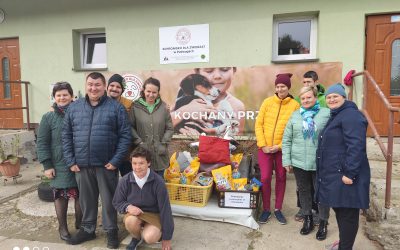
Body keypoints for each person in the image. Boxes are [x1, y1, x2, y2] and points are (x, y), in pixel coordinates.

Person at [62, 72, 132, 248]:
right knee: (86, 200)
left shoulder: (116, 108)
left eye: (97, 85)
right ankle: (87, 229)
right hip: (81, 165)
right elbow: (66, 135)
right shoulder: (74, 107)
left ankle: (111, 231)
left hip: (106, 165)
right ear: (86, 85)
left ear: (104, 86)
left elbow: (125, 136)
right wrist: (71, 160)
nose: (93, 88)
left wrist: (116, 160)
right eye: (90, 84)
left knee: (109, 200)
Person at [316, 83, 370, 250]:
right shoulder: (338, 114)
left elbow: (356, 146)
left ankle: (345, 247)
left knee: (347, 215)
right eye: (329, 97)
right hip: (337, 175)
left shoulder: (351, 115)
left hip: (346, 176)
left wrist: (349, 173)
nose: (331, 99)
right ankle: (344, 244)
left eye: (335, 96)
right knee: (341, 212)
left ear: (344, 97)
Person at [37, 82, 82, 241]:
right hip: (59, 163)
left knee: (81, 195)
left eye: (65, 94)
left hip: (80, 161)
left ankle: (80, 223)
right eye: (59, 95)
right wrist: (47, 165)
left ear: (71, 96)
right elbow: (42, 142)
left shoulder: (80, 113)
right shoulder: (48, 117)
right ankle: (62, 227)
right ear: (54, 98)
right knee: (61, 196)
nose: (62, 98)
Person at [282, 86, 330, 237]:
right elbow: (287, 139)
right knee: (303, 191)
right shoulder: (295, 115)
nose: (306, 100)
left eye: (309, 97)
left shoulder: (326, 114)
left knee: (321, 193)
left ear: (316, 97)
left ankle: (322, 222)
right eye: (303, 98)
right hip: (299, 162)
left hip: (320, 163)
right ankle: (307, 218)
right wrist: (286, 160)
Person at [255, 73, 300, 225]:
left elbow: (295, 130)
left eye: (283, 86)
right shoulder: (267, 102)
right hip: (265, 149)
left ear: (288, 88)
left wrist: (279, 146)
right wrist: (263, 145)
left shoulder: (295, 105)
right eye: (278, 86)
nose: (280, 89)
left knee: (281, 178)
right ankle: (266, 209)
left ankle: (278, 209)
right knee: (265, 178)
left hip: (282, 149)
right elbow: (258, 124)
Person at [112, 147, 174, 250]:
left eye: (141, 163)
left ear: (148, 163)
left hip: (154, 214)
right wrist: (128, 207)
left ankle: (155, 231)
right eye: (134, 163)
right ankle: (136, 238)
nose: (137, 167)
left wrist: (167, 237)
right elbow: (117, 202)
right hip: (135, 214)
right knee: (130, 221)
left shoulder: (158, 182)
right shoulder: (125, 180)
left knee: (150, 237)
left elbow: (165, 210)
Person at [294, 70, 327, 223]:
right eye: (304, 82)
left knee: (317, 186)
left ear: (316, 82)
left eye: (309, 82)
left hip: (317, 152)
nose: (306, 84)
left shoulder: (325, 99)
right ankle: (305, 210)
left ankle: (319, 215)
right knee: (303, 186)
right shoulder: (299, 100)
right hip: (302, 152)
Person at [171, 67, 245, 135]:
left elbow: (234, 141)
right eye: (208, 70)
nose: (217, 76)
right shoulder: (185, 96)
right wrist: (183, 112)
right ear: (197, 72)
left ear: (234, 70)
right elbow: (163, 126)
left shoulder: (236, 106)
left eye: (225, 69)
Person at [129, 77, 173, 176]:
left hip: (160, 155)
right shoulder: (135, 107)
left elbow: (169, 128)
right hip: (142, 154)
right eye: (148, 91)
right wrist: (139, 142)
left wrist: (164, 143)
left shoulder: (163, 107)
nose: (151, 95)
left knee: (159, 184)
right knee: (143, 184)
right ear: (143, 90)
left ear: (158, 93)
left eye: (154, 92)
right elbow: (130, 127)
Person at [107, 73, 134, 176]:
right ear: (107, 87)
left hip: (125, 152)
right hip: (108, 151)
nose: (114, 89)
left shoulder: (129, 104)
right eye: (112, 86)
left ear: (122, 90)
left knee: (128, 180)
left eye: (118, 87)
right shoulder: (101, 102)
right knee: (110, 183)